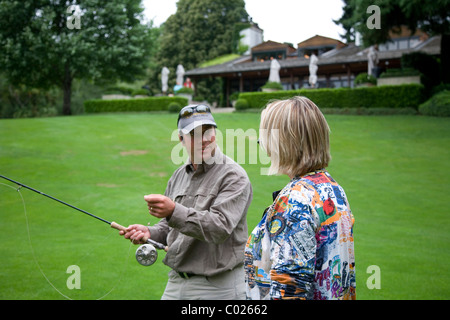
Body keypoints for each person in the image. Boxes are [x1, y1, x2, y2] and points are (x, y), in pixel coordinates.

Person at [120, 104, 253, 300]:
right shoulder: (178, 176)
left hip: (218, 287)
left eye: (209, 131)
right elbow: (168, 228)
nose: (206, 139)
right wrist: (150, 233)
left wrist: (173, 211)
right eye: (196, 134)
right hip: (176, 282)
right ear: (181, 139)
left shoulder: (234, 176)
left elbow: (219, 227)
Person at [245, 96, 355, 300]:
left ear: (284, 141)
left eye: (265, 136)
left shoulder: (295, 201)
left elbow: (289, 289)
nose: (262, 144)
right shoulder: (332, 189)